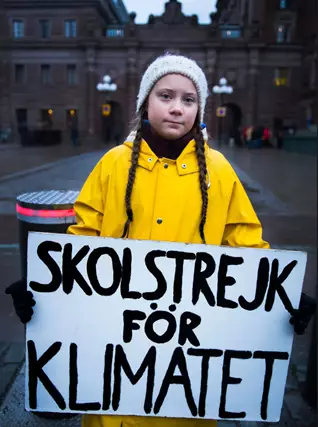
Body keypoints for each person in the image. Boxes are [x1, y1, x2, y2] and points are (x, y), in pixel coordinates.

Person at [5, 54, 316, 427]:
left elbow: (246, 245)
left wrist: (280, 298)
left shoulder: (219, 170)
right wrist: (47, 290)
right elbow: (81, 241)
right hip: (113, 383)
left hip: (188, 389)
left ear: (199, 108)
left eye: (188, 99)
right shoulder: (112, 165)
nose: (176, 108)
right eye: (165, 95)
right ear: (144, 103)